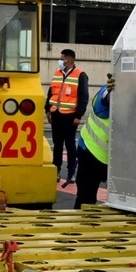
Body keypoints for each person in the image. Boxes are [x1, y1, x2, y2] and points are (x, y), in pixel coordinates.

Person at [45, 49, 88, 185]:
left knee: (70, 145)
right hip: (56, 114)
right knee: (57, 145)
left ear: (69, 60)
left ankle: (71, 172)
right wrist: (47, 110)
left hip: (70, 116)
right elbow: (51, 93)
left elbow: (84, 96)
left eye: (62, 58)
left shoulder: (80, 75)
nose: (60, 60)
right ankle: (56, 170)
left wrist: (79, 115)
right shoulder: (57, 74)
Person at [73, 74, 113, 209]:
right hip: (90, 152)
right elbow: (107, 97)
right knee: (86, 199)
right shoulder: (106, 92)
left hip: (110, 158)